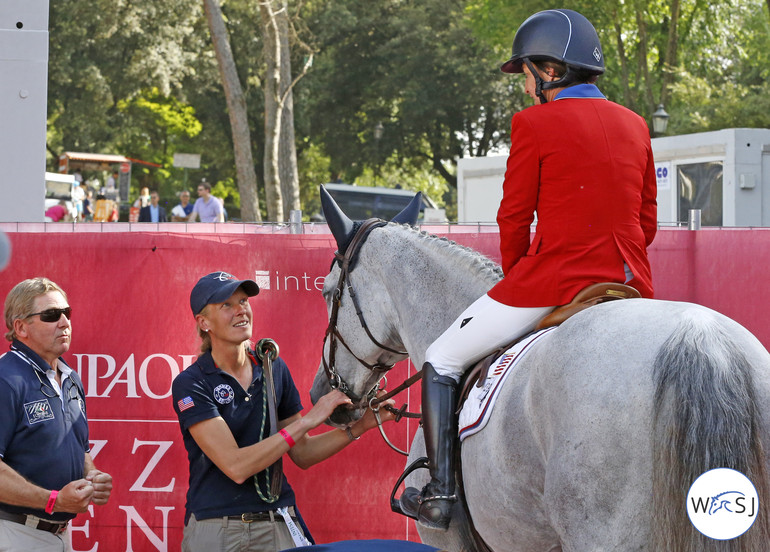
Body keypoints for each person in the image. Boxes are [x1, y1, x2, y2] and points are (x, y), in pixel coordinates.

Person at [397, 8, 657, 529]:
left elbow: (514, 215)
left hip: (555, 277)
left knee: (444, 356)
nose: (525, 87)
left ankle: (441, 493)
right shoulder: (636, 124)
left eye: (528, 74)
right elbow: (647, 221)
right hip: (631, 282)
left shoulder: (534, 123)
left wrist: (518, 276)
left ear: (551, 70)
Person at [172, 272, 395, 551]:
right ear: (203, 322)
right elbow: (236, 466)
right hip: (217, 527)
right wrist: (311, 419)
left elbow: (302, 454)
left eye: (243, 301)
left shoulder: (273, 367)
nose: (241, 309)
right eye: (226, 305)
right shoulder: (191, 383)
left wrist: (360, 426)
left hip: (278, 523)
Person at [0, 278, 113, 551]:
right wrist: (53, 500)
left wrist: (94, 475)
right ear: (20, 327)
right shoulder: (5, 378)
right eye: (51, 315)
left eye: (67, 313)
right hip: (13, 532)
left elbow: (79, 449)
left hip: (60, 535)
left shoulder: (71, 377)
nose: (64, 322)